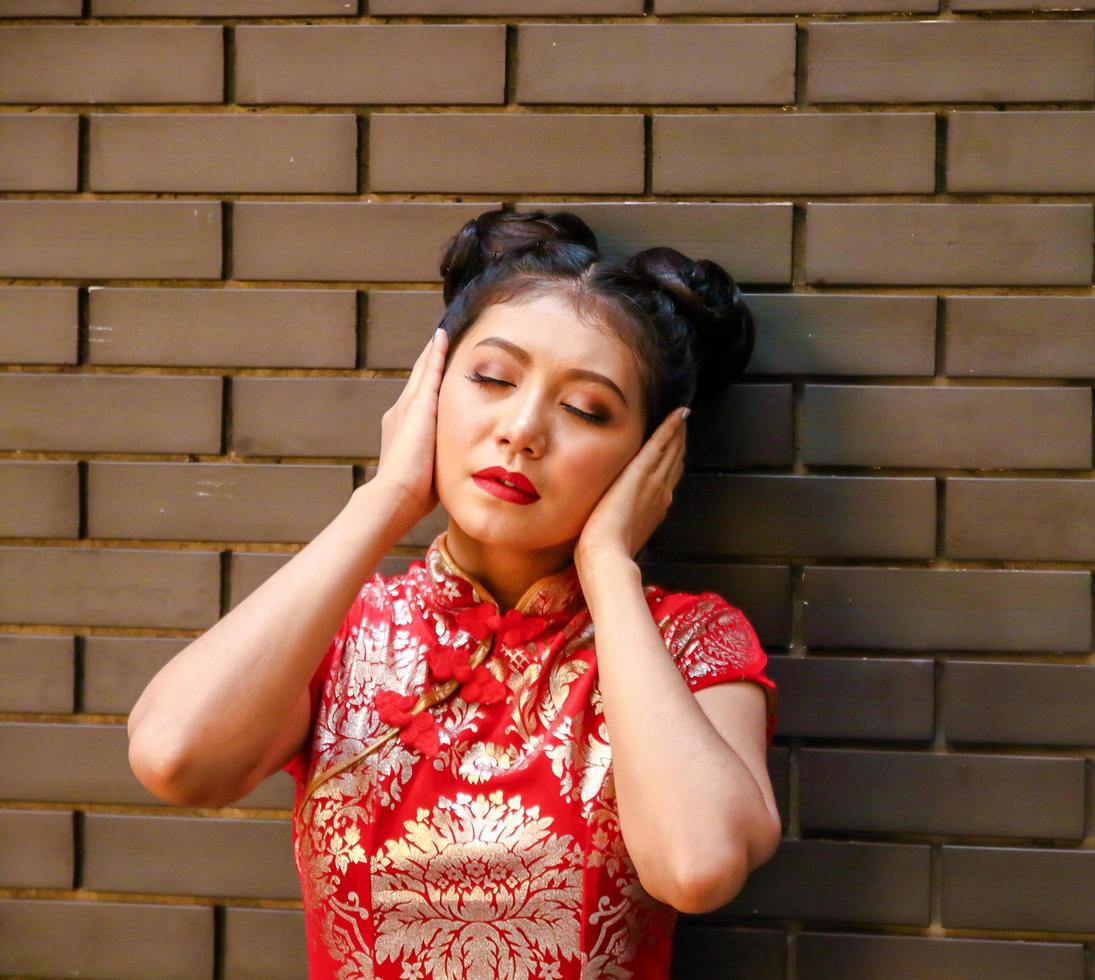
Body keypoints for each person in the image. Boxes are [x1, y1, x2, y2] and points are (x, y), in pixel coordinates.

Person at [126, 209, 781, 979]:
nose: (523, 430)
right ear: (431, 392)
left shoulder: (690, 642)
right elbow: (174, 757)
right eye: (493, 379)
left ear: (649, 458)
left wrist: (608, 566)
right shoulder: (346, 628)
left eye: (586, 409)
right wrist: (387, 495)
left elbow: (696, 866)